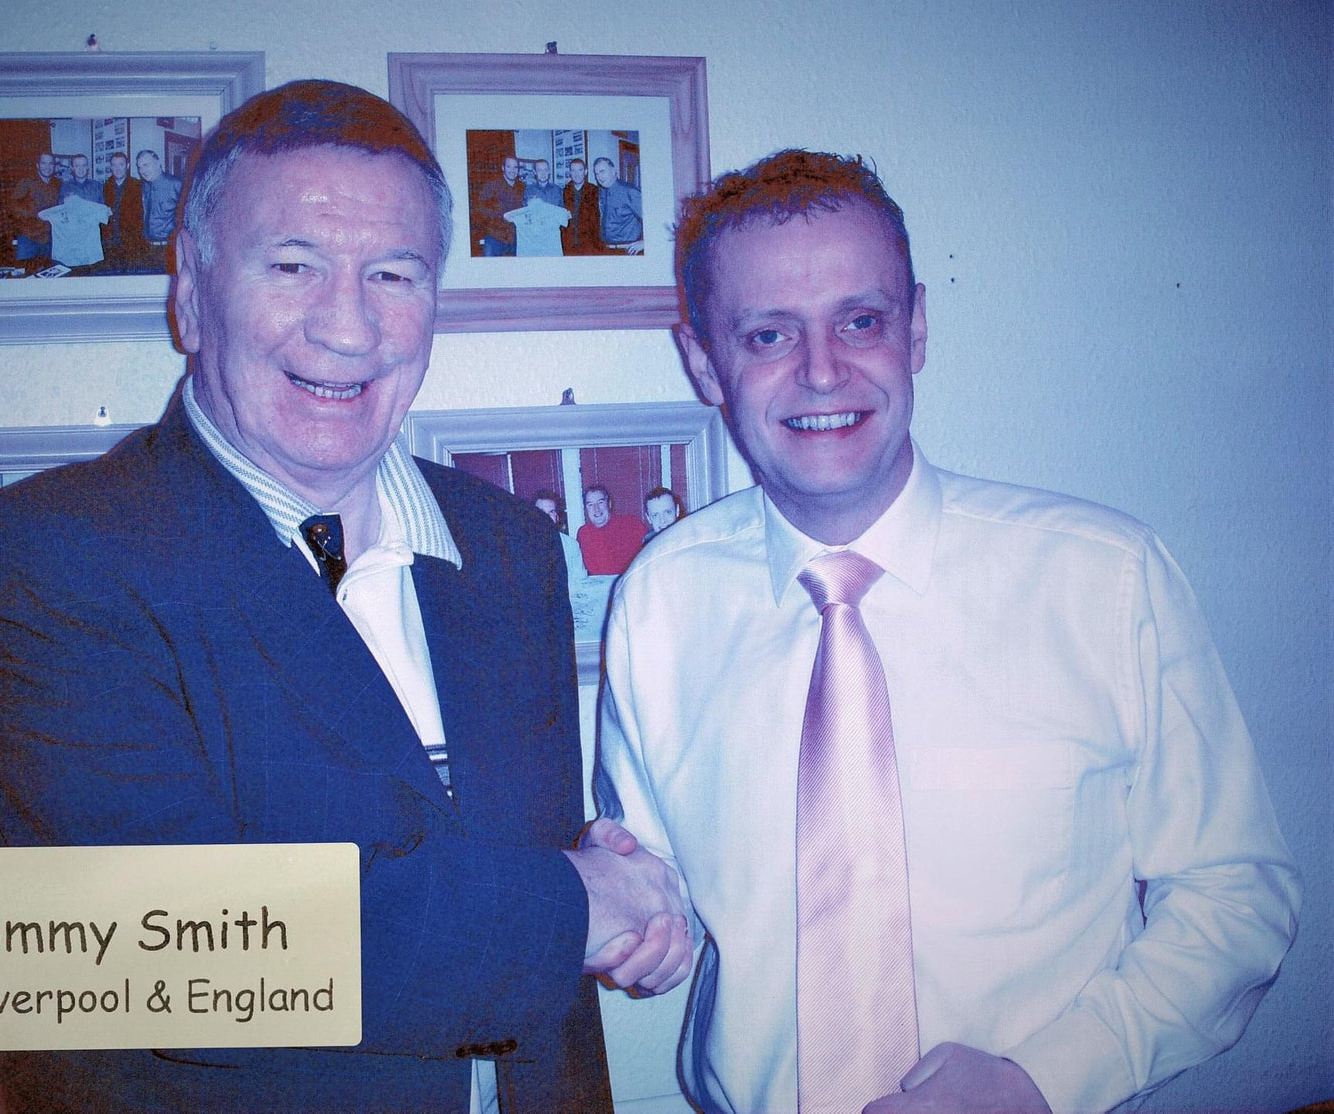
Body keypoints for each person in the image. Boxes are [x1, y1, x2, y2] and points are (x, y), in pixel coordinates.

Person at [0, 79, 691, 1114]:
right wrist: (582, 902)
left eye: (393, 273)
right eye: (292, 266)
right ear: (191, 292)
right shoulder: (48, 553)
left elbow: (492, 860)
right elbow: (150, 947)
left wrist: (620, 884)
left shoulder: (510, 548)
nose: (347, 328)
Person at [595, 150, 1300, 1114]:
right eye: (766, 335)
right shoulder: (659, 602)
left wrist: (1043, 1081)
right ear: (703, 363)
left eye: (860, 320)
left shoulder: (1103, 579)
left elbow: (1234, 895)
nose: (821, 371)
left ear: (916, 327)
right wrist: (634, 919)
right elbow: (656, 888)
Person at [576, 484, 645, 575]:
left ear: (609, 504)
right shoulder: (583, 534)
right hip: (599, 586)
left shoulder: (631, 524)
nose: (596, 509)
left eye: (600, 502)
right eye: (590, 505)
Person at [6, 152, 59, 263]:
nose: (47, 167)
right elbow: (12, 207)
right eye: (43, 163)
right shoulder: (26, 182)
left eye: (51, 163)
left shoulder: (58, 184)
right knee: (25, 274)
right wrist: (35, 215)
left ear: (54, 166)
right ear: (37, 165)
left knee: (49, 273)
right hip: (28, 238)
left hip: (50, 239)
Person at [136, 148, 181, 271]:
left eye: (146, 165)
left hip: (169, 250)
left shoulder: (175, 184)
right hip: (148, 250)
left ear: (158, 162)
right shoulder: (144, 186)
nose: (142, 171)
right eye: (139, 167)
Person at [100, 151, 145, 272]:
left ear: (128, 166)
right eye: (114, 165)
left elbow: (141, 216)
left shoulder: (137, 186)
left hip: (131, 244)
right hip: (110, 244)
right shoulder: (105, 186)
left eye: (121, 164)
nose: (118, 168)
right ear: (110, 167)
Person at [473, 155, 523, 256]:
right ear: (503, 168)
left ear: (518, 169)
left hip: (514, 239)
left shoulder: (522, 187)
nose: (512, 170)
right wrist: (501, 216)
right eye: (508, 166)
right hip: (494, 238)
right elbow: (479, 208)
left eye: (515, 167)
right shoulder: (492, 185)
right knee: (490, 270)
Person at [535, 489, 588, 582]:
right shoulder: (522, 545)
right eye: (541, 512)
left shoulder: (571, 545)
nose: (546, 517)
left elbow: (580, 580)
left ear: (557, 517)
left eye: (551, 512)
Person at [593, 157, 643, 252]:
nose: (599, 177)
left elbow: (652, 220)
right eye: (596, 173)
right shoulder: (601, 192)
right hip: (607, 249)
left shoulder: (630, 191)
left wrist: (645, 242)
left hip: (627, 250)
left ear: (613, 171)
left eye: (602, 171)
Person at [561, 157, 601, 255]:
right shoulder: (564, 191)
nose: (576, 174)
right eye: (573, 170)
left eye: (580, 170)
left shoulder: (595, 191)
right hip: (568, 244)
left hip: (589, 244)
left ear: (585, 171)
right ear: (570, 172)